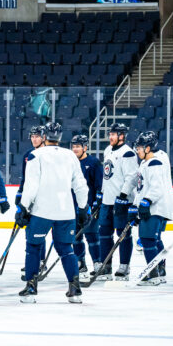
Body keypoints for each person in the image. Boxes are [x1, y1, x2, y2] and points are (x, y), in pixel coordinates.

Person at [16, 122, 89, 303]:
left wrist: (23, 207)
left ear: (44, 136)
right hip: (66, 212)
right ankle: (75, 289)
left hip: (42, 211)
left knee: (33, 246)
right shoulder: (70, 155)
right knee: (66, 248)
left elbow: (31, 185)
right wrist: (82, 208)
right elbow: (80, 185)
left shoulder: (35, 155)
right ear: (60, 137)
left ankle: (31, 287)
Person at [125, 131, 173, 286]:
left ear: (147, 148)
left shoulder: (155, 163)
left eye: (139, 148)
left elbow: (157, 188)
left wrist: (146, 201)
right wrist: (135, 206)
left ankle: (153, 274)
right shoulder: (145, 163)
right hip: (151, 207)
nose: (137, 150)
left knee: (147, 239)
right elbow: (141, 189)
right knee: (151, 239)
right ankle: (158, 270)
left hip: (155, 208)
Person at [98, 122, 138, 280]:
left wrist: (123, 195)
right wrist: (101, 193)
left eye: (113, 134)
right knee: (104, 233)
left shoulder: (128, 153)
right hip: (107, 201)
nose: (110, 137)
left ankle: (124, 266)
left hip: (122, 201)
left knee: (123, 234)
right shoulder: (108, 150)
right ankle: (105, 265)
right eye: (110, 134)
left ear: (122, 136)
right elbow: (106, 175)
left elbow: (132, 177)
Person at [70, 134, 103, 276]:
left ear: (85, 147)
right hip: (73, 207)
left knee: (92, 235)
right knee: (75, 237)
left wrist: (97, 202)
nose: (75, 149)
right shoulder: (70, 163)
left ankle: (97, 262)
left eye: (78, 146)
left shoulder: (94, 163)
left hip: (89, 207)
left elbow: (99, 185)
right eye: (73, 146)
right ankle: (80, 262)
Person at [18, 125, 47, 276]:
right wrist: (20, 194)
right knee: (30, 229)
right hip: (30, 197)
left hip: (44, 197)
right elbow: (25, 178)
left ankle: (41, 260)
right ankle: (32, 260)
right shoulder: (28, 155)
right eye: (32, 136)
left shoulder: (48, 154)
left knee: (40, 230)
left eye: (37, 136)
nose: (34, 139)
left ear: (43, 138)